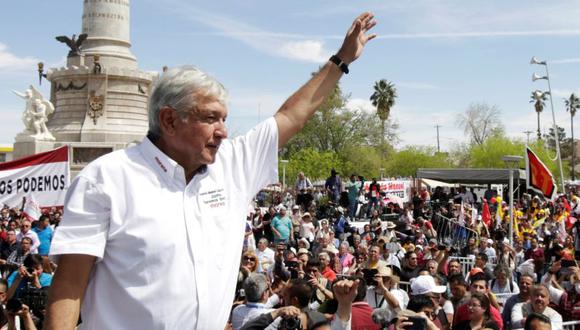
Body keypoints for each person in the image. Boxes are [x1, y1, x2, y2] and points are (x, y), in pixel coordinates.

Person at [45, 12, 378, 330]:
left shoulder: (232, 164)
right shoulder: (106, 179)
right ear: (169, 120)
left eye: (224, 118)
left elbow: (292, 115)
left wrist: (340, 61)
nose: (223, 131)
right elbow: (68, 287)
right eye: (209, 118)